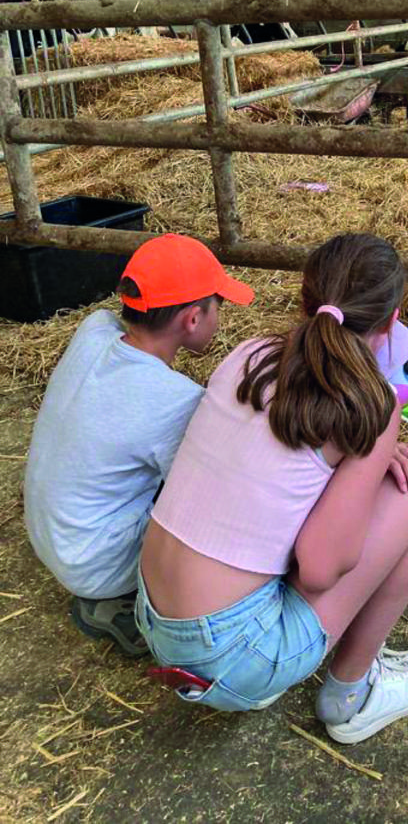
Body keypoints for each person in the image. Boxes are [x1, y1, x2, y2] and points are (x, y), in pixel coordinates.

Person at [136, 232, 408, 744]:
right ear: (393, 321)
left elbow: (277, 465)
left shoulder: (250, 353)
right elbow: (321, 567)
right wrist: (369, 454)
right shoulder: (373, 404)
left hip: (153, 617)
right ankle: (352, 694)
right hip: (233, 655)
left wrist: (362, 460)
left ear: (305, 300)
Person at [24, 233, 256, 657]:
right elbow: (208, 497)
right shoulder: (176, 402)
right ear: (192, 318)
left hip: (53, 531)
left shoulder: (94, 328)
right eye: (217, 307)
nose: (219, 317)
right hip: (94, 561)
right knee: (217, 508)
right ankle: (131, 605)